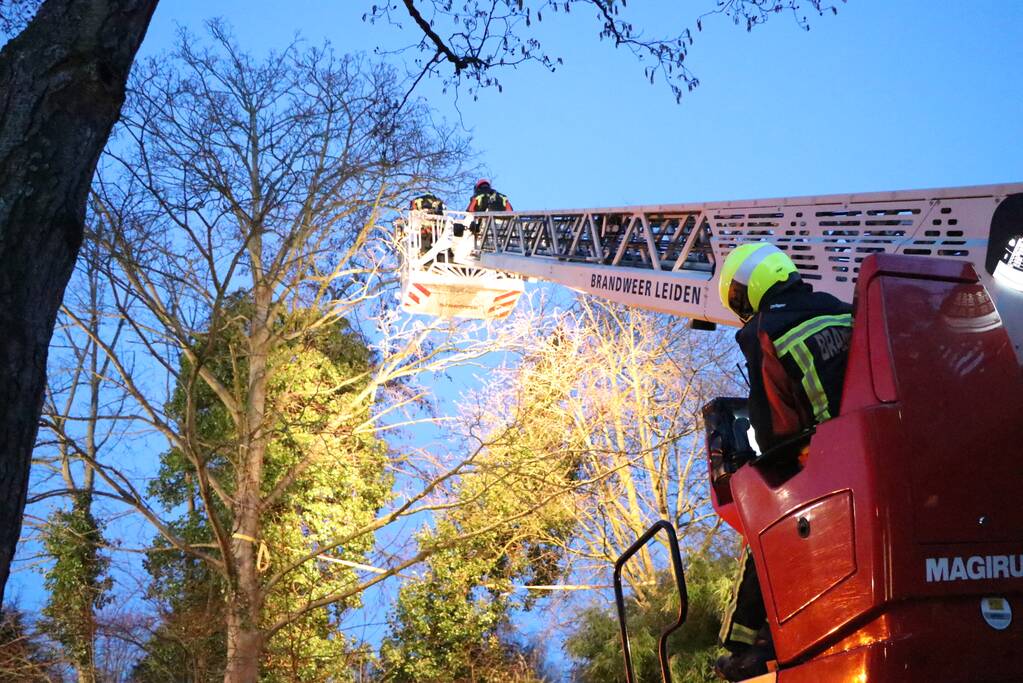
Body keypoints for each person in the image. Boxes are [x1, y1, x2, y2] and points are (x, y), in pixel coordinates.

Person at [714, 242, 853, 681]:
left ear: (750, 286)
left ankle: (749, 644)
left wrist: (755, 462)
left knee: (761, 514)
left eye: (737, 296)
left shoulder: (764, 329)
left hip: (826, 459)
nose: (741, 307)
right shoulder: (839, 307)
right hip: (869, 444)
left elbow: (776, 426)